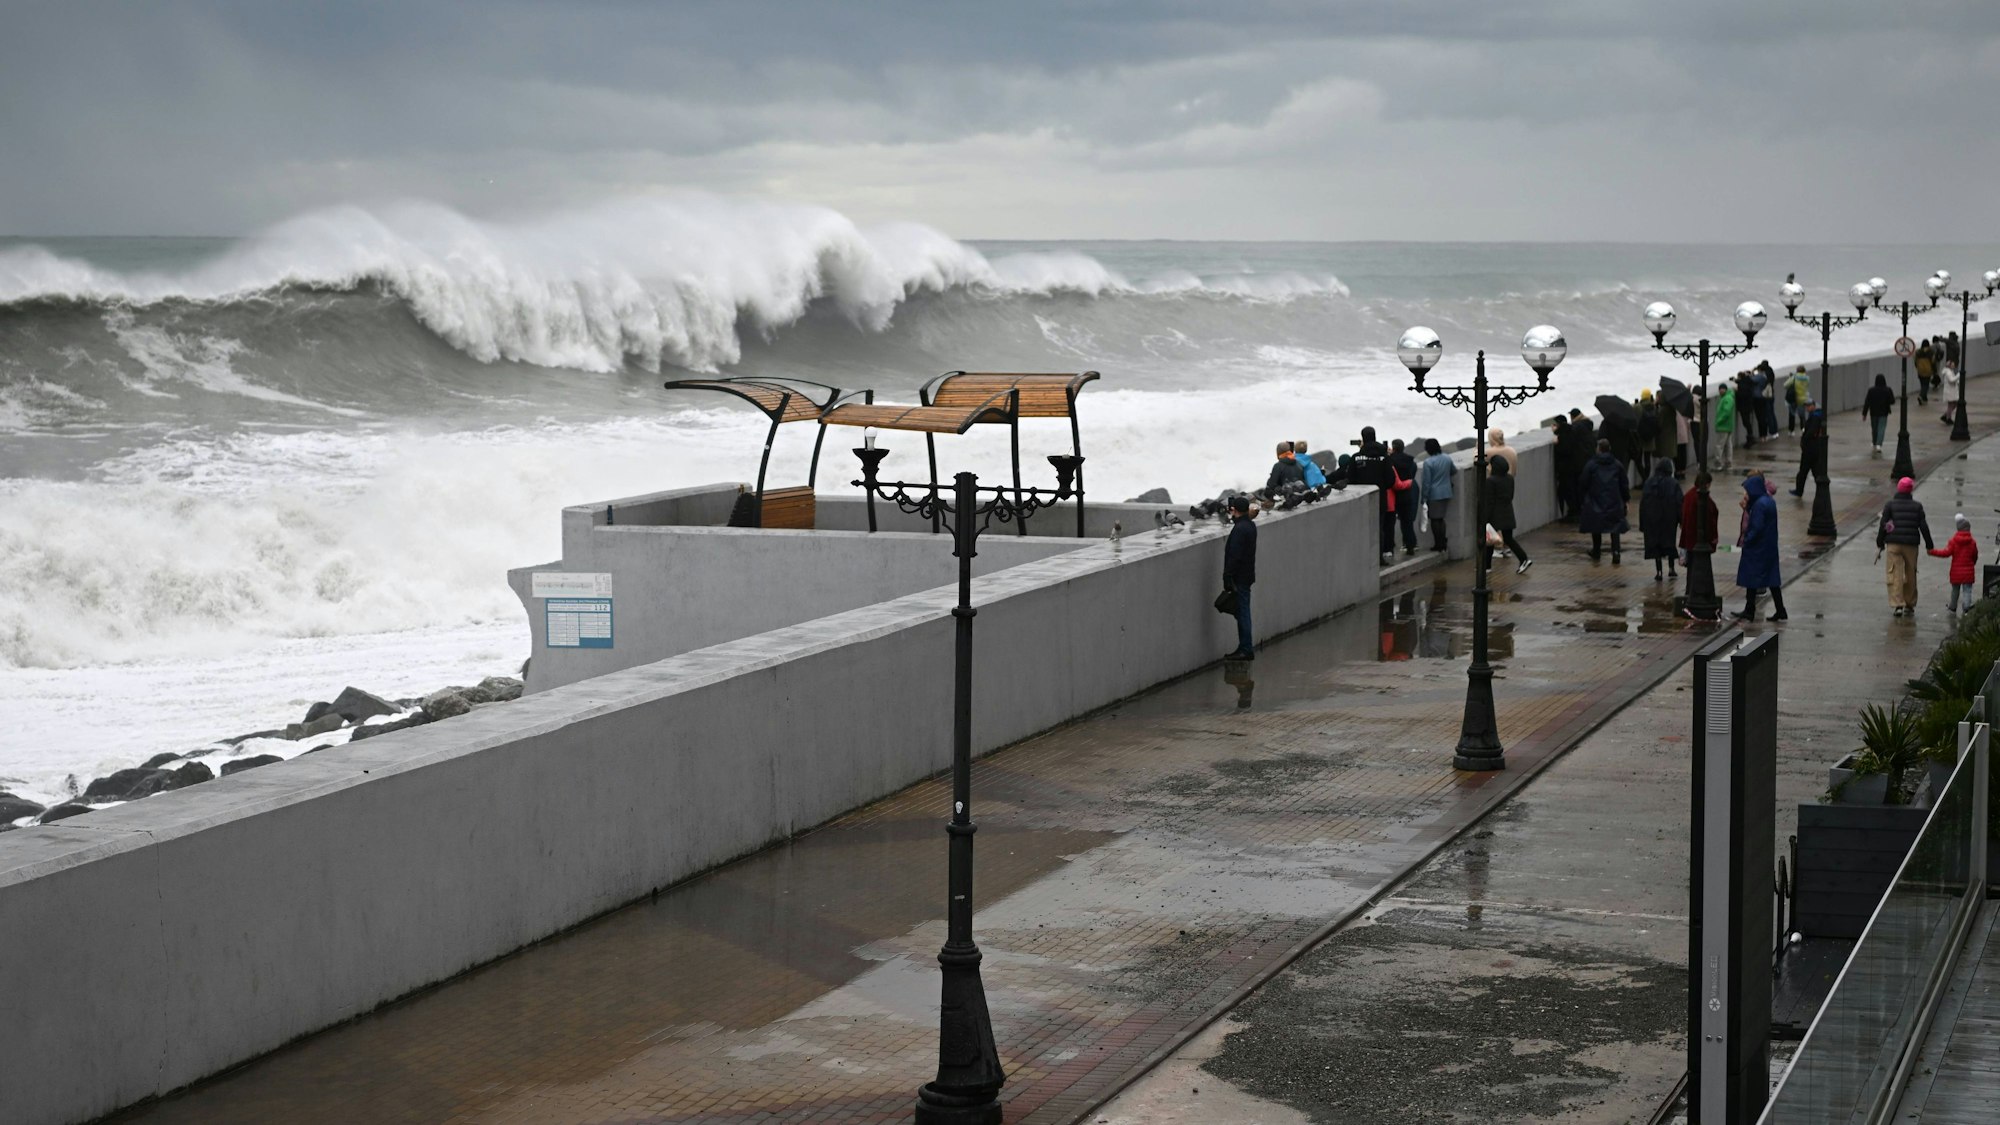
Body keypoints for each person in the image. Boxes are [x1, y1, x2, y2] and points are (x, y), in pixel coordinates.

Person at [1733, 473, 1788, 622]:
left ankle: (1750, 610)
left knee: (1751, 578)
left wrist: (1747, 540)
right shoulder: (1768, 501)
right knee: (1772, 579)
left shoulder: (1759, 505)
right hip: (1769, 546)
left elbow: (1756, 527)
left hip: (1757, 549)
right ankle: (1780, 609)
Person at [1877, 476, 1934, 617]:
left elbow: (1884, 525)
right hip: (1911, 544)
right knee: (1910, 573)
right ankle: (1909, 603)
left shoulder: (1890, 505)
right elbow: (1923, 526)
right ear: (1910, 490)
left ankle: (1898, 605)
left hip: (1894, 543)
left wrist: (1880, 542)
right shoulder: (1917, 506)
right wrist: (1929, 544)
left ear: (1899, 489)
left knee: (1895, 573)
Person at [1578, 437, 1630, 562]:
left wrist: (1582, 499)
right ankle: (1616, 552)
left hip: (1595, 500)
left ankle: (1596, 551)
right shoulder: (1617, 464)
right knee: (1615, 527)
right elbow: (1624, 484)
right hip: (1614, 501)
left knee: (1596, 525)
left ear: (1598, 450)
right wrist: (1626, 499)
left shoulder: (1591, 465)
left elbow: (1583, 482)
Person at [1681, 472, 1721, 619]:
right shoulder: (1703, 500)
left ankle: (1690, 593)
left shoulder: (1689, 496)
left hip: (1689, 540)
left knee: (1691, 569)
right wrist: (1712, 540)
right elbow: (1710, 519)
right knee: (1696, 570)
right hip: (1698, 541)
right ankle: (1696, 595)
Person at [1222, 494, 1258, 659]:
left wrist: (1227, 576)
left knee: (1242, 613)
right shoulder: (1250, 526)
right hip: (1247, 575)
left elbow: (1234, 555)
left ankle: (1245, 649)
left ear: (1234, 510)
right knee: (1242, 611)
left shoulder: (1240, 529)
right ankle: (1244, 647)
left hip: (1240, 577)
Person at [1482, 456, 1531, 575]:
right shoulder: (1509, 478)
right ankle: (1523, 558)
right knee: (1508, 538)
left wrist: (1485, 518)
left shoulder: (1490, 481)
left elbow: (1489, 501)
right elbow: (1510, 496)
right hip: (1508, 511)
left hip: (1495, 514)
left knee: (1490, 540)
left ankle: (1487, 566)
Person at [1640, 459, 1682, 580]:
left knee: (1655, 545)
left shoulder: (1648, 483)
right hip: (1669, 519)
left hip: (1652, 520)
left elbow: (1643, 504)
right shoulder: (1673, 483)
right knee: (1669, 543)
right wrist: (1681, 520)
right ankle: (1671, 568)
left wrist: (1643, 523)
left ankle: (1659, 572)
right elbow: (1679, 503)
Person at [1930, 513, 1980, 614]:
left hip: (1956, 571)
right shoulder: (1972, 542)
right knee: (1967, 590)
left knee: (1955, 590)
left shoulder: (1953, 541)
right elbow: (1975, 555)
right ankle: (1966, 608)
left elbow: (1946, 553)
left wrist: (1932, 552)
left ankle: (1953, 607)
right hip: (1968, 571)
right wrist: (1972, 563)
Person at [1418, 437, 1454, 553]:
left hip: (1434, 494)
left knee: (1434, 520)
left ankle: (1439, 544)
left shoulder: (1428, 462)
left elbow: (1426, 482)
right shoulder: (1447, 458)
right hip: (1446, 492)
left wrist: (1424, 497)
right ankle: (1443, 542)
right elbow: (1454, 471)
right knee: (1441, 519)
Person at [1389, 438, 1420, 555]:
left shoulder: (1391, 461)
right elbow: (1412, 474)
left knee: (1396, 521)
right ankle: (1411, 544)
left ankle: (1402, 545)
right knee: (1408, 521)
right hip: (1409, 491)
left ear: (1394, 448)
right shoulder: (1410, 461)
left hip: (1396, 493)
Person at [1791, 398, 1826, 498]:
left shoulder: (1815, 417)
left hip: (1810, 450)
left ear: (1813, 406)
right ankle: (1820, 491)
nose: (1806, 408)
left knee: (1803, 472)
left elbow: (1811, 432)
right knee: (1815, 472)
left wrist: (1804, 441)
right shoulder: (1817, 415)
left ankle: (1799, 491)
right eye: (1806, 406)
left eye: (1808, 406)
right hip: (1814, 449)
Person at [1864, 374, 1895, 455]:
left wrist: (1864, 414)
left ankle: (1874, 443)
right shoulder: (1888, 390)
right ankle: (1878, 444)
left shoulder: (1871, 390)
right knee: (1881, 428)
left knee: (1874, 429)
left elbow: (1867, 402)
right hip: (1883, 412)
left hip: (1873, 412)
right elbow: (1892, 401)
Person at [1711, 380, 1737, 470]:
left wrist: (1719, 420)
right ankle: (1728, 462)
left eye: (1722, 389)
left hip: (1723, 426)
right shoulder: (1728, 397)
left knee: (1720, 445)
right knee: (1728, 445)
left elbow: (1726, 411)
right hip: (1727, 426)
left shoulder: (1727, 399)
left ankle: (1718, 463)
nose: (1720, 391)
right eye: (1719, 389)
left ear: (1725, 389)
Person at [1785, 366, 1812, 432]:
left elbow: (1785, 385)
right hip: (1803, 398)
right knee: (1802, 415)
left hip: (1794, 398)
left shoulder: (1794, 377)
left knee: (1792, 414)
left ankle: (1791, 430)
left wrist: (1791, 377)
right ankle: (1803, 428)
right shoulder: (1807, 378)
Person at [1940, 361, 1961, 426]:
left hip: (1951, 391)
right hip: (1950, 391)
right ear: (1949, 365)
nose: (1954, 366)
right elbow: (1951, 380)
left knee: (1954, 404)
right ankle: (1948, 418)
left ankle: (1946, 415)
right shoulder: (1948, 372)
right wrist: (1958, 375)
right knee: (1951, 405)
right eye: (1952, 365)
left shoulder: (1950, 371)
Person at [1916, 340, 1936, 404]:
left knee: (1922, 384)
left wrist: (1918, 367)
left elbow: (1915, 362)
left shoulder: (1918, 352)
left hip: (1920, 370)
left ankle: (1924, 397)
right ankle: (1921, 396)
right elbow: (1933, 362)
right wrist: (1934, 370)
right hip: (1928, 370)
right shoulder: (1931, 352)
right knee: (1926, 385)